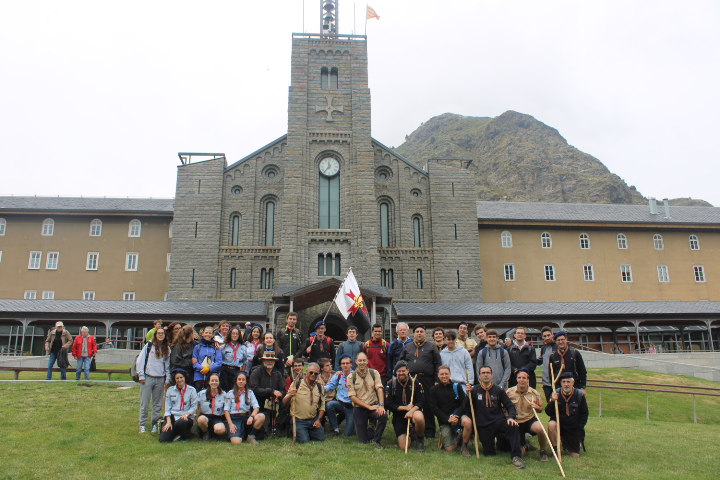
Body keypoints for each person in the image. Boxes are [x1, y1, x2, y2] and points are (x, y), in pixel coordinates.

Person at [462, 365, 525, 469]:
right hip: (483, 425)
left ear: (492, 375)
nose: (486, 375)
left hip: (498, 421)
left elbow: (509, 405)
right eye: (483, 373)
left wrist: (511, 417)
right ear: (479, 376)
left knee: (513, 427)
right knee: (489, 453)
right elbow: (465, 407)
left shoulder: (498, 389)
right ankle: (498, 442)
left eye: (488, 373)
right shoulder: (474, 390)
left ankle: (516, 456)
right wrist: (468, 394)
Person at [399, 325, 441, 439]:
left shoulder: (432, 346)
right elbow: (401, 362)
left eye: (421, 331)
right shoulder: (408, 347)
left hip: (427, 379)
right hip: (411, 379)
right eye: (417, 331)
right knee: (411, 402)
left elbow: (438, 363)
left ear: (425, 334)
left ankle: (429, 430)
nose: (419, 333)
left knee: (428, 404)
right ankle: (412, 427)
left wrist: (437, 380)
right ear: (413, 334)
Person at [427, 365, 473, 456]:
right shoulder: (433, 390)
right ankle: (458, 438)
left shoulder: (456, 387)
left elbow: (463, 404)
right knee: (449, 449)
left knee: (468, 422)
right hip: (445, 420)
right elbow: (434, 409)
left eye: (446, 374)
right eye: (442, 374)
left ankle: (464, 447)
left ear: (450, 374)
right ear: (438, 375)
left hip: (458, 416)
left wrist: (457, 416)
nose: (444, 376)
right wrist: (448, 419)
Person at [506, 369, 548, 461]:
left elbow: (540, 409)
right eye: (519, 378)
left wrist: (536, 407)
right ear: (516, 379)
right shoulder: (509, 392)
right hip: (516, 422)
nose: (521, 380)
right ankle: (526, 445)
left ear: (528, 380)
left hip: (529, 420)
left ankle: (543, 451)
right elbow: (504, 407)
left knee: (540, 429)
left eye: (524, 378)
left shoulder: (534, 393)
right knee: (521, 453)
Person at [347, 351, 387, 448]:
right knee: (363, 441)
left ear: (367, 361)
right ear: (356, 362)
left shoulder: (374, 373)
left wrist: (381, 406)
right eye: (360, 361)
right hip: (359, 408)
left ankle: (376, 440)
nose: (362, 363)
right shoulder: (351, 377)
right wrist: (368, 407)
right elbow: (352, 397)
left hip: (373, 406)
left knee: (383, 415)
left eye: (364, 360)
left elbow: (379, 388)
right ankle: (371, 428)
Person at [546, 372, 589, 458]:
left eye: (568, 382)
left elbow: (584, 414)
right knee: (551, 424)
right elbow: (548, 412)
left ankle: (571, 443)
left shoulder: (579, 395)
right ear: (561, 383)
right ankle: (556, 449)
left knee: (575, 455)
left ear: (573, 383)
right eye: (564, 382)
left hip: (573, 428)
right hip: (560, 426)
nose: (566, 384)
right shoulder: (556, 393)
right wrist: (552, 401)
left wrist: (579, 428)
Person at [386, 361, 426, 452]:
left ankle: (420, 439)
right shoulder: (391, 384)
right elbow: (388, 404)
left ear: (408, 371)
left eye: (403, 371)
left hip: (413, 412)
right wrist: (405, 408)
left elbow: (421, 401)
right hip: (399, 416)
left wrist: (411, 411)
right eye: (399, 371)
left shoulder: (415, 382)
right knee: (404, 446)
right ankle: (411, 433)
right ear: (396, 372)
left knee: (419, 417)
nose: (401, 373)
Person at [137, 327, 171, 433]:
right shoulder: (149, 346)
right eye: (159, 333)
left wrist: (168, 378)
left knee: (157, 404)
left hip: (160, 378)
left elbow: (167, 364)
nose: (161, 335)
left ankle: (154, 424)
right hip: (148, 377)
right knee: (145, 403)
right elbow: (140, 360)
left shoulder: (167, 348)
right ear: (155, 335)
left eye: (162, 333)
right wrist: (141, 375)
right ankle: (142, 424)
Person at [284, 362, 326, 443]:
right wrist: (290, 395)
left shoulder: (320, 387)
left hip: (313, 420)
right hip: (299, 420)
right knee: (304, 441)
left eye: (316, 373)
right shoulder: (297, 384)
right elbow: (285, 402)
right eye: (311, 372)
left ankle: (307, 432)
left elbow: (322, 406)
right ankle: (300, 432)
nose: (313, 375)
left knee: (320, 439)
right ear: (306, 372)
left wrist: (318, 420)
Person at [249, 350, 286, 437]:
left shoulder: (277, 374)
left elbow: (283, 390)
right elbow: (254, 390)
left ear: (275, 362)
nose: (270, 362)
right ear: (263, 361)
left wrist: (279, 396)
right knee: (262, 433)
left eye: (272, 360)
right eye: (267, 360)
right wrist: (271, 391)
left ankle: (278, 427)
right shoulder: (256, 372)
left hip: (274, 402)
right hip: (260, 404)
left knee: (286, 404)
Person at [225, 371, 265, 444]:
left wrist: (251, 417)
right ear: (236, 381)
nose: (241, 381)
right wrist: (230, 424)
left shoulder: (250, 393)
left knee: (261, 416)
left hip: (247, 417)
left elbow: (256, 407)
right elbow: (226, 410)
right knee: (236, 442)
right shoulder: (230, 393)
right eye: (239, 379)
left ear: (246, 382)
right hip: (235, 418)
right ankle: (239, 435)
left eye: (243, 380)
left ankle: (251, 436)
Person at [159, 369, 198, 442]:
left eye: (181, 377)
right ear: (175, 379)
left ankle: (185, 436)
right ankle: (176, 433)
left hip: (186, 417)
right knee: (164, 440)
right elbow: (167, 407)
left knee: (180, 423)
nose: (179, 380)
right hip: (173, 416)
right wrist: (168, 422)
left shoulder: (192, 390)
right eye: (177, 378)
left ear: (185, 378)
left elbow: (194, 407)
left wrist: (186, 415)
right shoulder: (170, 390)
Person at [324, 353, 355, 436]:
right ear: (340, 365)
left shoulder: (355, 376)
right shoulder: (338, 376)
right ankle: (335, 429)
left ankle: (353, 424)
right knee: (330, 404)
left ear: (351, 364)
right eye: (343, 363)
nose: (345, 365)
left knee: (348, 434)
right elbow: (330, 385)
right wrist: (321, 389)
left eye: (347, 363)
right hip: (340, 404)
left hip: (351, 406)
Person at [196, 372, 228, 441]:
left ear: (219, 382)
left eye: (216, 381)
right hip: (205, 416)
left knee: (220, 430)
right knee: (201, 419)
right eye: (212, 381)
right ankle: (205, 432)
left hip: (217, 417)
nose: (214, 382)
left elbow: (226, 409)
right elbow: (198, 407)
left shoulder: (224, 394)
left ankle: (213, 433)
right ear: (209, 382)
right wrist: (197, 419)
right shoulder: (202, 393)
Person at [192, 326, 223, 391]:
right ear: (203, 334)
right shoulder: (197, 347)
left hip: (212, 376)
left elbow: (219, 362)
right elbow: (194, 362)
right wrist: (202, 368)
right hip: (199, 376)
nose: (208, 334)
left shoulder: (216, 348)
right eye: (206, 333)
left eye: (210, 333)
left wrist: (209, 368)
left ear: (212, 335)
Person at [220, 326, 246, 392]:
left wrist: (242, 372)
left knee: (234, 389)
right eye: (233, 334)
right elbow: (220, 359)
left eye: (237, 334)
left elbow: (245, 361)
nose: (235, 335)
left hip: (236, 370)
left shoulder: (243, 347)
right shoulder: (224, 346)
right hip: (225, 370)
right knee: (224, 389)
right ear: (230, 335)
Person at [537, 326, 559, 402]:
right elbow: (540, 360)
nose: (547, 337)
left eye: (548, 335)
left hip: (556, 381)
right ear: (542, 337)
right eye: (545, 336)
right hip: (546, 383)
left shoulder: (558, 346)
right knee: (550, 404)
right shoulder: (543, 348)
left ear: (552, 334)